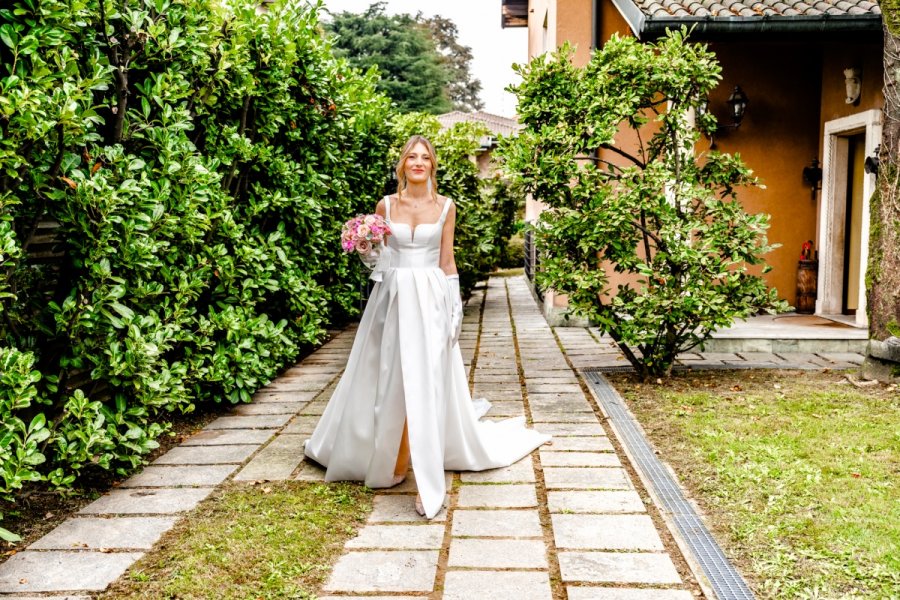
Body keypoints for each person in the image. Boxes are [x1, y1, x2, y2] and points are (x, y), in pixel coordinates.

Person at [304, 135, 549, 518]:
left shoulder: (446, 206)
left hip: (432, 297)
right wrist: (367, 250)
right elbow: (382, 263)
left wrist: (455, 306)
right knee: (390, 379)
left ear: (432, 165)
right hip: (393, 298)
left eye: (425, 157)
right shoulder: (385, 205)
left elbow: (446, 261)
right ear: (402, 165)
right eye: (411, 157)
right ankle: (390, 459)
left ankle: (426, 479)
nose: (418, 162)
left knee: (427, 383)